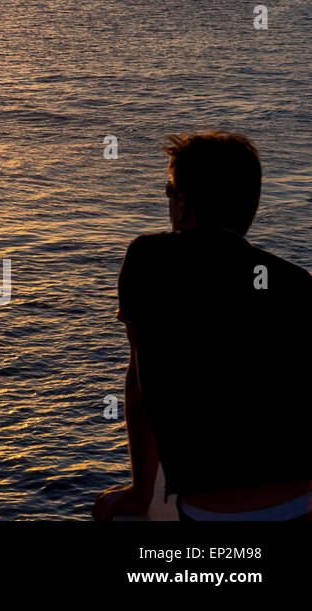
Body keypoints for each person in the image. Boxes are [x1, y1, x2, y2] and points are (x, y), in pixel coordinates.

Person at [94, 132, 312, 522]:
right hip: (301, 496)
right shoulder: (297, 283)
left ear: (183, 203)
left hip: (211, 507)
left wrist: (141, 493)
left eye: (169, 192)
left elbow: (140, 384)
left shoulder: (148, 260)